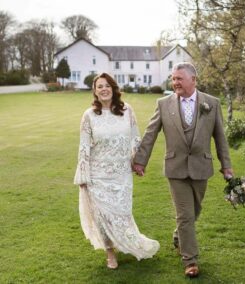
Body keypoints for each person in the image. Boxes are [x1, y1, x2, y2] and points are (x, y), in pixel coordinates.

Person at [133, 62, 233, 277]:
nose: (175, 82)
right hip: (175, 167)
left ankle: (179, 236)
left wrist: (227, 166)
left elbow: (220, 138)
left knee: (195, 211)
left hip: (201, 167)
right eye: (173, 78)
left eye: (179, 78)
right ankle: (190, 260)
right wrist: (140, 160)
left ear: (193, 80)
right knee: (185, 214)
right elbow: (151, 134)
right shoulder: (163, 104)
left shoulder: (212, 104)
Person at [73, 73, 159, 269]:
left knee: (122, 213)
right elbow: (84, 147)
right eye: (99, 86)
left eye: (107, 86)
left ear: (113, 88)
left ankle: (129, 242)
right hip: (98, 174)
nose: (104, 89)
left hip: (121, 173)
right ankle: (110, 253)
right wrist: (84, 175)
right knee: (102, 217)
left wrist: (138, 164)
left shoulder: (127, 110)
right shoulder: (89, 115)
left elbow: (136, 139)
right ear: (95, 91)